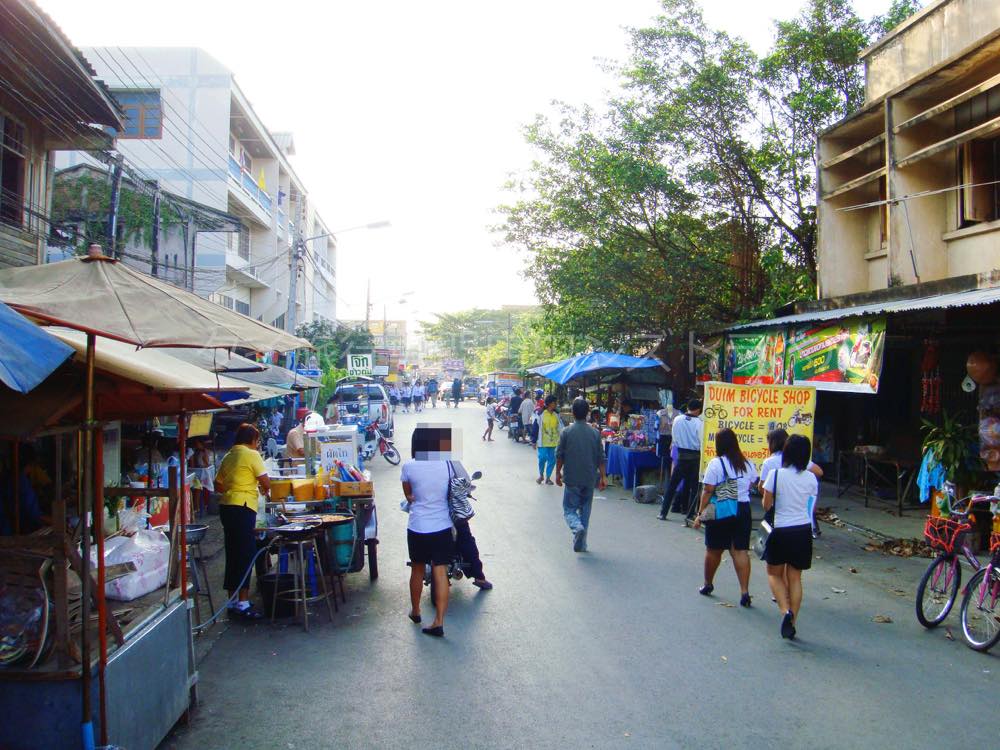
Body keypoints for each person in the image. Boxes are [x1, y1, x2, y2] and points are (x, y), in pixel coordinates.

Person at [401, 426, 462, 637]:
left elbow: (409, 495)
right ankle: (438, 621)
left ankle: (416, 611)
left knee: (417, 569)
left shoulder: (408, 467)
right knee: (440, 572)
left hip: (417, 526)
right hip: (441, 525)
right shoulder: (446, 464)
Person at [760, 434, 819, 640]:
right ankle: (793, 621)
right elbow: (810, 507)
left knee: (774, 574)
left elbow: (766, 505)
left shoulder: (775, 475)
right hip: (803, 530)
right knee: (795, 577)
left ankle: (785, 611)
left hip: (780, 530)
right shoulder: (811, 478)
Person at [692, 428, 758, 605]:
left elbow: (707, 491)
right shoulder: (748, 463)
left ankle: (708, 583)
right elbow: (752, 482)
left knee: (714, 550)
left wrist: (700, 513)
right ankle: (744, 591)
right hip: (743, 509)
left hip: (721, 508)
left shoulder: (716, 464)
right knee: (740, 551)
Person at [214, 423, 270, 620]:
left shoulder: (229, 456)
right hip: (243, 507)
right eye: (257, 440)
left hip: (227, 507)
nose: (257, 444)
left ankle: (233, 601)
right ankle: (243, 604)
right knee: (246, 552)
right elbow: (266, 481)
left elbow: (218, 484)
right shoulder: (251, 454)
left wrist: (232, 490)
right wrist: (260, 490)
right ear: (252, 440)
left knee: (233, 552)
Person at [555, 397, 607, 552]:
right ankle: (582, 543)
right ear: (588, 413)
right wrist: (603, 476)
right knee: (585, 511)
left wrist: (557, 474)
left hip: (572, 477)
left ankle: (576, 527)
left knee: (569, 509)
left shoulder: (566, 432)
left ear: (573, 412)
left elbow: (560, 456)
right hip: (589, 478)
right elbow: (600, 457)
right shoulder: (595, 433)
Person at [758, 428, 824, 538]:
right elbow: (811, 504)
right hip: (804, 528)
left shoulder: (774, 473)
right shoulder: (811, 478)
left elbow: (766, 505)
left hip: (780, 526)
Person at [658, 399, 703, 520]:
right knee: (694, 488)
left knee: (672, 485)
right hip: (695, 458)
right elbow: (701, 441)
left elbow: (674, 438)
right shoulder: (700, 423)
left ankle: (663, 512)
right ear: (698, 410)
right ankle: (690, 514)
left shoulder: (677, 419)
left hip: (681, 456)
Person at [536, 395, 561, 485]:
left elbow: (560, 427)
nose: (556, 404)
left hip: (554, 442)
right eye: (555, 403)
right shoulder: (541, 414)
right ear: (550, 404)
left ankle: (548, 477)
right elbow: (536, 428)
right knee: (542, 458)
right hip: (543, 442)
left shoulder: (556, 415)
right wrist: (533, 440)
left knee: (552, 460)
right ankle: (541, 475)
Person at [656, 403, 674, 482]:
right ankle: (664, 482)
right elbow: (656, 427)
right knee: (665, 460)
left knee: (671, 461)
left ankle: (669, 482)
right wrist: (662, 426)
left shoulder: (679, 413)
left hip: (673, 438)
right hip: (663, 438)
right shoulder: (659, 413)